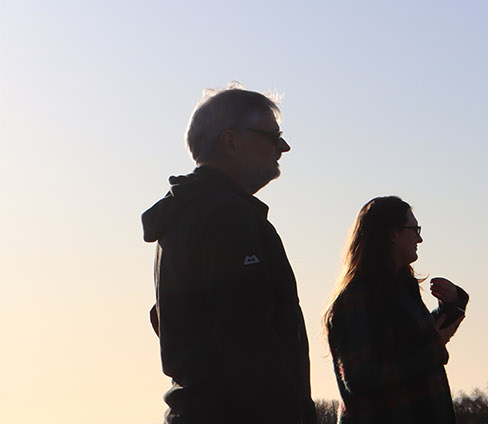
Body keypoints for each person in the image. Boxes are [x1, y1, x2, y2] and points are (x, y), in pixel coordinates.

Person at [142, 84, 315, 423]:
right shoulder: (227, 218)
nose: (284, 147)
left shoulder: (184, 218)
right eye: (272, 136)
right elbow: (246, 339)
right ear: (230, 141)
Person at [325, 196, 468, 423]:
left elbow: (419, 339)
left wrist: (453, 304)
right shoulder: (354, 299)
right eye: (414, 229)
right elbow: (361, 378)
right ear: (392, 234)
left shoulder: (402, 289)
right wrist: (432, 350)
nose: (419, 238)